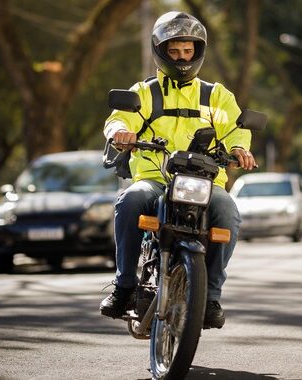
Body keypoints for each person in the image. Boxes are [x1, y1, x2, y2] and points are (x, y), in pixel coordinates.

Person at [99, 11, 257, 329]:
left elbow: (237, 130)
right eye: (174, 51)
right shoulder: (144, 92)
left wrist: (240, 147)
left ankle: (210, 297)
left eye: (188, 51)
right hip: (155, 179)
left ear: (198, 51)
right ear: (161, 51)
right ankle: (124, 286)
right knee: (129, 202)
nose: (182, 57)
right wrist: (119, 132)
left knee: (228, 211)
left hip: (204, 182)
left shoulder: (217, 95)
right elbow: (117, 118)